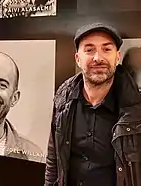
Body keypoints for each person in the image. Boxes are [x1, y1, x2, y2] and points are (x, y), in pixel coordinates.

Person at [45, 22, 141, 186]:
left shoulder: (135, 109)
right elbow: (53, 160)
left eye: (106, 49)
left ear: (117, 57)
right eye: (89, 50)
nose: (98, 58)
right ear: (78, 59)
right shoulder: (63, 99)